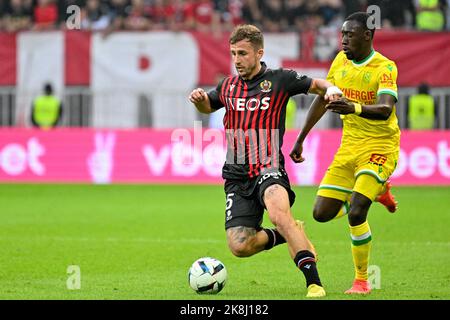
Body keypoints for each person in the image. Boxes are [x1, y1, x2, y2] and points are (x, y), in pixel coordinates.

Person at [189, 24, 343, 298]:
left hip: (268, 166)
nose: (237, 60)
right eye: (234, 53)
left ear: (259, 53)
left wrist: (331, 88)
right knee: (240, 246)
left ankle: (314, 283)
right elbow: (208, 106)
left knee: (278, 213)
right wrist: (199, 100)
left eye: (243, 54)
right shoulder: (227, 86)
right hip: (236, 174)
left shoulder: (280, 80)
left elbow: (316, 84)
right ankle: (288, 233)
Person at [290, 12, 400, 295]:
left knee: (357, 212)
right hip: (348, 147)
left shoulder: (384, 67)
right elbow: (322, 99)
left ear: (367, 35)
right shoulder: (339, 61)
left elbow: (386, 108)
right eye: (342, 35)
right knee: (321, 214)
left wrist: (355, 108)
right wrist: (301, 138)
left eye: (349, 35)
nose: (343, 40)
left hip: (380, 147)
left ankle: (362, 280)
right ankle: (377, 192)